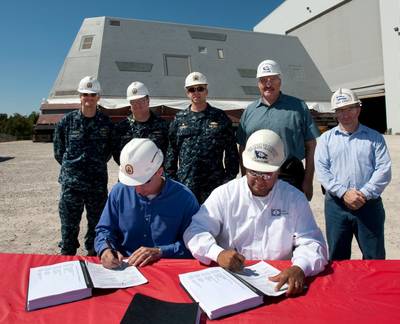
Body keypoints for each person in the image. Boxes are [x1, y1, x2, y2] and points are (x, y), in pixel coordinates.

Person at [184, 129, 328, 296]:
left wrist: (300, 267)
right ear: (245, 166)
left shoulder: (294, 199)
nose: (259, 179)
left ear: (278, 170)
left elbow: (312, 242)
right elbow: (195, 231)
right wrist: (218, 253)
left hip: (279, 280)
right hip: (232, 278)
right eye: (253, 172)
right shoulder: (225, 194)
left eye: (267, 174)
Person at [95, 138, 199, 269]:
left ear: (159, 172)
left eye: (143, 182)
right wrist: (105, 249)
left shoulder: (184, 198)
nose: (137, 189)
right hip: (124, 270)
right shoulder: (119, 191)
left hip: (167, 271)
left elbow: (196, 243)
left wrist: (161, 251)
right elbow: (104, 230)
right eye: (132, 183)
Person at [314, 88, 391, 260]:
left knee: (374, 257)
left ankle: (374, 288)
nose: (345, 114)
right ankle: (341, 288)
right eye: (340, 110)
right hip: (336, 206)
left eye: (349, 108)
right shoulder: (325, 140)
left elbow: (383, 169)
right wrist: (343, 193)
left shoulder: (375, 137)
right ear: (335, 113)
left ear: (358, 109)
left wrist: (363, 193)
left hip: (368, 204)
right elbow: (323, 172)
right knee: (337, 257)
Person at [236, 59, 320, 200]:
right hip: (258, 177)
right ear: (258, 84)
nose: (268, 84)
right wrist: (245, 179)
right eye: (263, 80)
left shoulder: (298, 107)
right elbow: (242, 148)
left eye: (272, 79)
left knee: (291, 220)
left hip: (290, 176)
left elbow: (311, 146)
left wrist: (308, 181)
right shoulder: (249, 111)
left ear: (280, 81)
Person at [53, 76, 113, 256]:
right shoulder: (67, 122)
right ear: (80, 96)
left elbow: (108, 151)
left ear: (98, 97)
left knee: (96, 226)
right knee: (69, 226)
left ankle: (94, 259)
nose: (89, 98)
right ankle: (67, 260)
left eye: (93, 94)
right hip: (72, 185)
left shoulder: (106, 123)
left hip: (96, 185)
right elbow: (59, 151)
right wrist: (73, 169)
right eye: (85, 94)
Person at [165, 71, 239, 203]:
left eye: (200, 89)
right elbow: (171, 153)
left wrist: (227, 181)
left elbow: (231, 153)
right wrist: (173, 182)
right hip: (186, 186)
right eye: (192, 89)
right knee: (188, 222)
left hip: (215, 187)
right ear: (187, 93)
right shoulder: (179, 119)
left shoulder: (220, 117)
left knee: (214, 223)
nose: (196, 92)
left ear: (206, 91)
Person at [112, 81, 168, 165]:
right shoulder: (121, 128)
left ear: (148, 100)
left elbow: (169, 153)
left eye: (141, 100)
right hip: (129, 175)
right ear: (130, 104)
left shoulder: (163, 126)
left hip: (155, 175)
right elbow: (117, 154)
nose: (138, 105)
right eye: (133, 102)